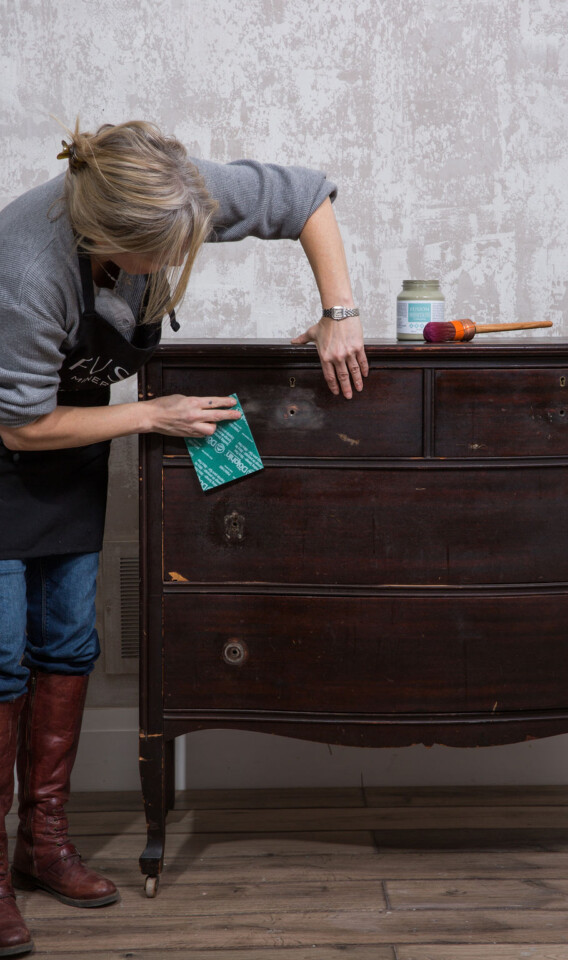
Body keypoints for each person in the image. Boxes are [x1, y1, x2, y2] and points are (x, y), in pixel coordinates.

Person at [0, 119, 367, 956]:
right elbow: (18, 427)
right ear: (101, 238)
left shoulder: (172, 189)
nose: (165, 268)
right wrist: (149, 416)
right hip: (16, 440)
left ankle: (41, 845)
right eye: (152, 257)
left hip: (72, 443)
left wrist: (338, 311)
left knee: (66, 643)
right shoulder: (24, 269)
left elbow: (308, 194)